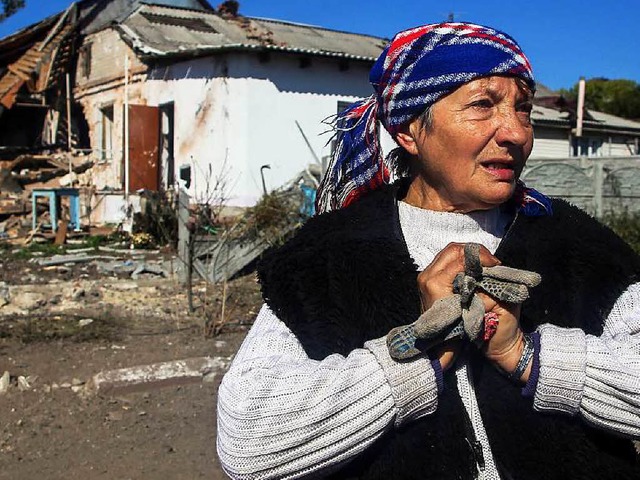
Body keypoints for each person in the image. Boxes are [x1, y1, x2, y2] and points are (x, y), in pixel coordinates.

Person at [216, 22, 640, 480]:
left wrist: (527, 355)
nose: (516, 133)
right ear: (410, 131)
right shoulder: (327, 255)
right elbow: (248, 443)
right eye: (483, 105)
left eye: (524, 109)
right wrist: (412, 358)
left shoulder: (576, 244)